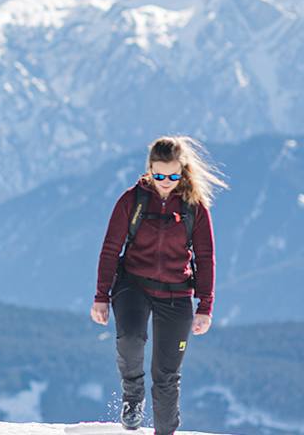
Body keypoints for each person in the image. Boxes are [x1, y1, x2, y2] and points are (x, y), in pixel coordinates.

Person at [89, 136, 226, 434]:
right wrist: (101, 296)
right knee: (130, 340)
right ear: (149, 169)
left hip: (177, 294)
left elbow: (205, 257)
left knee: (166, 375)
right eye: (159, 175)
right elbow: (110, 248)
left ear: (183, 171)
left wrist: (205, 306)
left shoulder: (195, 207)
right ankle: (132, 398)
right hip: (133, 285)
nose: (166, 182)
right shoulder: (132, 199)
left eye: (173, 175)